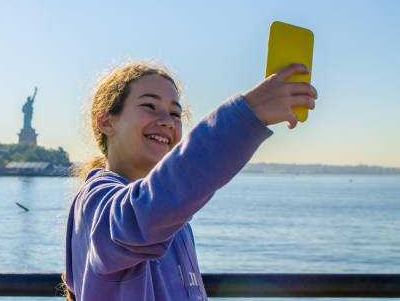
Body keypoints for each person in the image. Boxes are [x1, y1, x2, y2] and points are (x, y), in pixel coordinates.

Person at [62, 61, 317, 300]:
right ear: (106, 121)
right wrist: (249, 114)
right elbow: (147, 211)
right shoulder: (96, 201)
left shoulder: (175, 221)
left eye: (175, 113)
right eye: (150, 106)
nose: (167, 121)